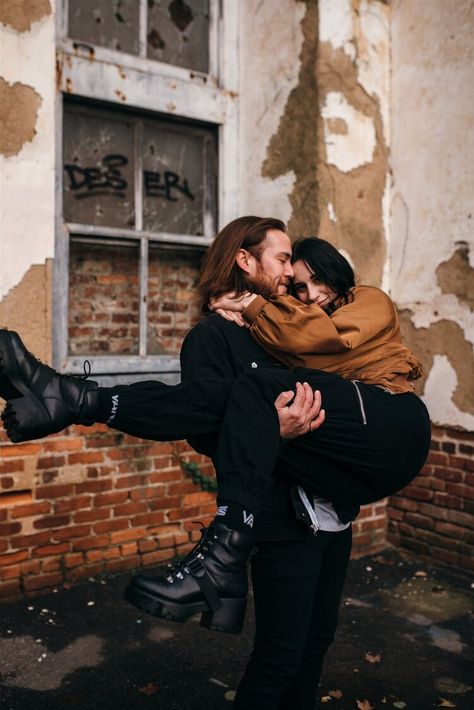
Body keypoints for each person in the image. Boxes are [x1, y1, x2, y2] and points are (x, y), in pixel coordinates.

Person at [0, 218, 431, 704]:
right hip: (279, 517)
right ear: (245, 261)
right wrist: (275, 429)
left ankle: (72, 399)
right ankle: (77, 403)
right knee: (279, 656)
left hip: (333, 504)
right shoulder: (213, 336)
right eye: (284, 261)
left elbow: (327, 365)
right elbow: (207, 430)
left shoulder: (291, 326)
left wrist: (256, 313)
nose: (292, 277)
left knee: (317, 642)